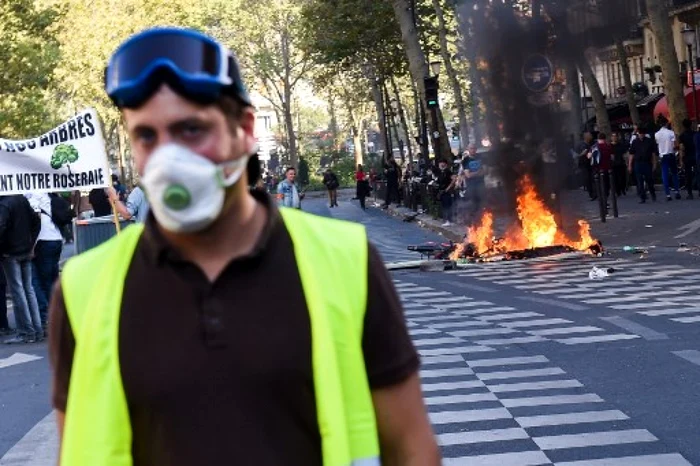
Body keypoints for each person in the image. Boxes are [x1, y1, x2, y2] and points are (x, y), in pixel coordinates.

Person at [49, 27, 439, 465]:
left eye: (192, 129)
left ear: (246, 129)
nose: (168, 160)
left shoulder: (345, 261)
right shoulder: (84, 290)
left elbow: (411, 447)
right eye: (147, 137)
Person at [0, 195, 42, 344]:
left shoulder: (4, 205)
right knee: (28, 290)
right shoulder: (21, 199)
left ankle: (27, 332)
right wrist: (31, 245)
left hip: (10, 254)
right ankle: (37, 330)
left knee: (19, 292)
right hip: (25, 251)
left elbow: (1, 228)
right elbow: (37, 221)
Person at [25, 192, 64, 333]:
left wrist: (32, 247)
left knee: (38, 283)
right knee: (52, 282)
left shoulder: (30, 195)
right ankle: (59, 316)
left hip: (42, 242)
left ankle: (48, 319)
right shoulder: (47, 194)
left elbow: (37, 222)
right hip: (56, 239)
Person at [629, 125, 658, 203]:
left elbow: (653, 154)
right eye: (640, 133)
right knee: (639, 180)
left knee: (649, 179)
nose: (641, 135)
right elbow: (631, 154)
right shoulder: (635, 142)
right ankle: (642, 197)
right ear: (638, 133)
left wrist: (654, 163)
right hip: (638, 162)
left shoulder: (649, 141)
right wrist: (630, 165)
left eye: (642, 133)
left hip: (647, 162)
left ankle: (652, 193)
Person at [655, 117, 681, 201]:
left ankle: (668, 194)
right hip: (671, 154)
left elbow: (657, 143)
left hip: (663, 156)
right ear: (667, 123)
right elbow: (675, 145)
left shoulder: (657, 134)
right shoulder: (671, 133)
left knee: (665, 175)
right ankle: (677, 191)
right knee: (674, 173)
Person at [679, 119, 697, 199]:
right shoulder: (695, 134)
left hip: (687, 157)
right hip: (696, 155)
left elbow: (682, 148)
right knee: (698, 173)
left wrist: (681, 160)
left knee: (688, 175)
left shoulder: (682, 136)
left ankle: (690, 193)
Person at [435, 159, 456, 227]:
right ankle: (448, 220)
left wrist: (448, 188)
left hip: (446, 191)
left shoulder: (448, 171)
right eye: (440, 163)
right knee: (445, 205)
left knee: (447, 206)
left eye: (442, 163)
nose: (441, 164)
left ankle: (448, 220)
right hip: (442, 191)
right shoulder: (441, 172)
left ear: (445, 164)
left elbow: (454, 179)